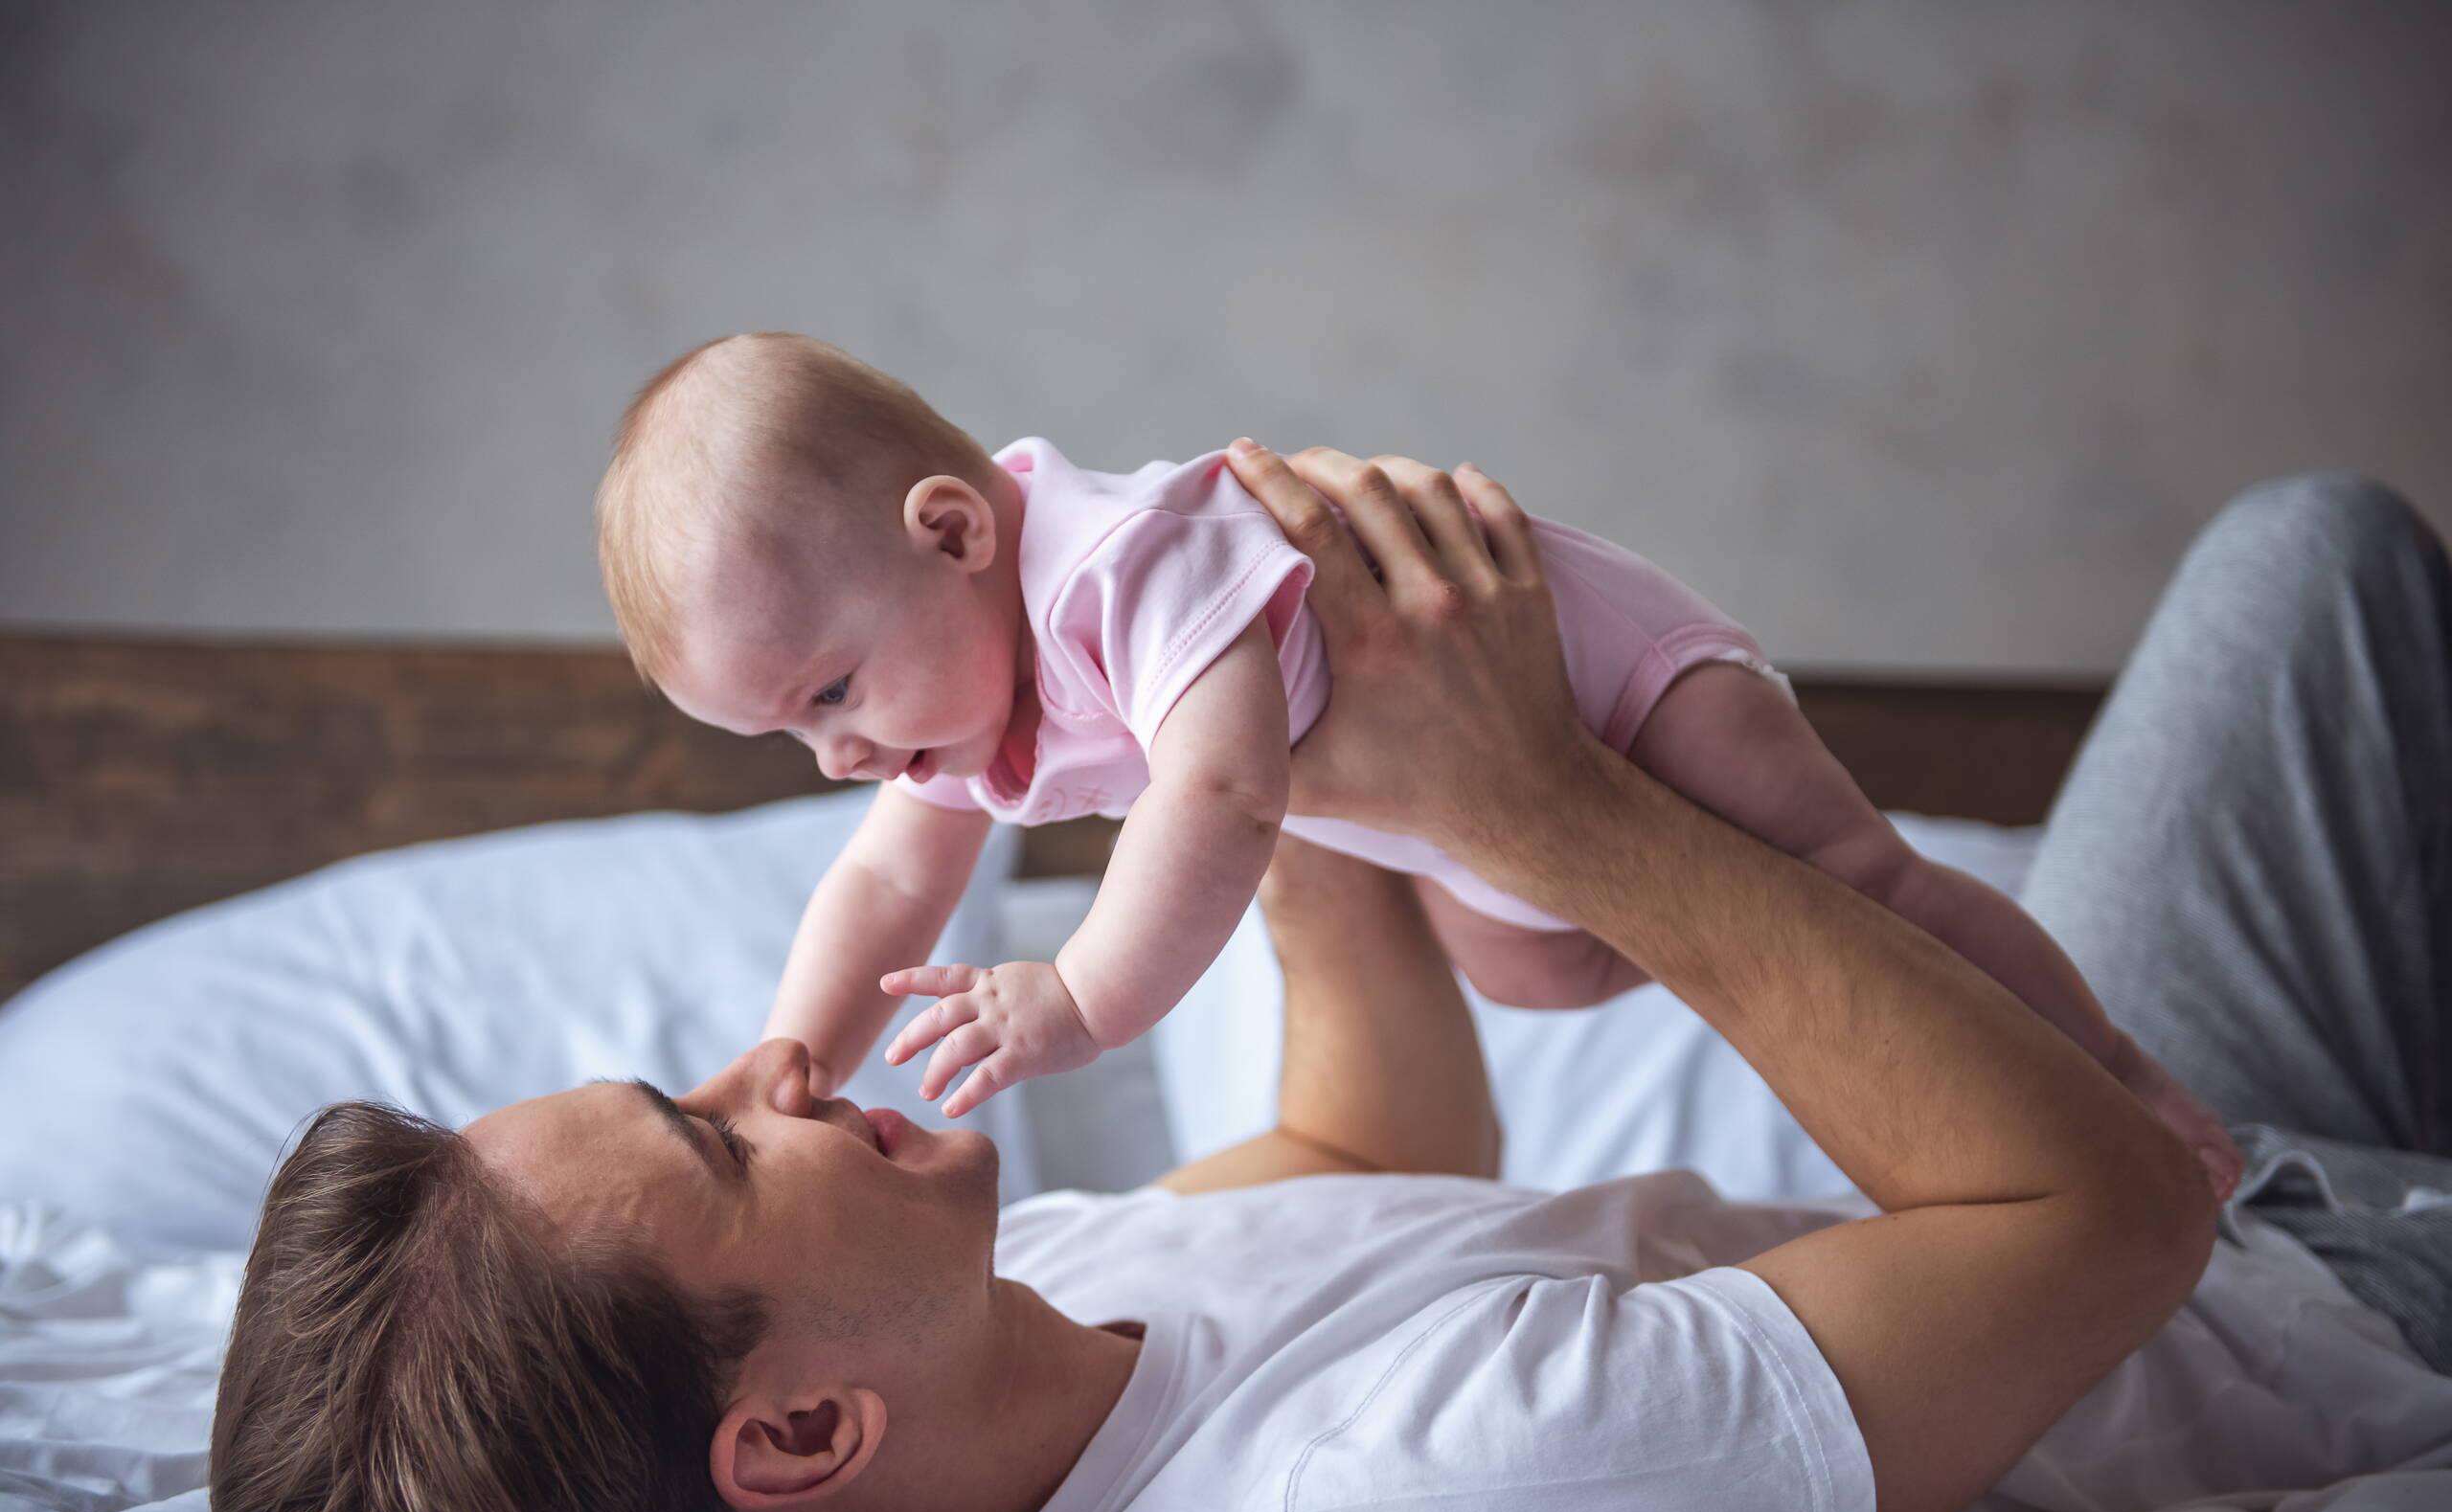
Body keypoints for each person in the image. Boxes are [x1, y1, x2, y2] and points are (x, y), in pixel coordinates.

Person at [210, 452, 2452, 1512]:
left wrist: (1239, 714)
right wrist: (1543, 806)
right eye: (719, 1144)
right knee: (2308, 560)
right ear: (796, 1446)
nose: (773, 1072)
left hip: (2226, 1197)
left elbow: (1366, 1156)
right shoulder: (1402, 1502)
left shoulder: (1015, 1320)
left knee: (2315, 559)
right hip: (2315, 1280)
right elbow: (2105, 1213)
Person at [584, 336, 2237, 1207]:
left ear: (951, 531)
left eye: (834, 689)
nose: (847, 749)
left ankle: (2120, 1073)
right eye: (796, 736)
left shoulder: (1116, 569)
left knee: (1862, 886)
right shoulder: (956, 698)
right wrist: (795, 1048)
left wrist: (1076, 1003)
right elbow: (884, 878)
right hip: (1489, 828)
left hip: (1621, 688)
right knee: (1535, 969)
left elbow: (1216, 799)